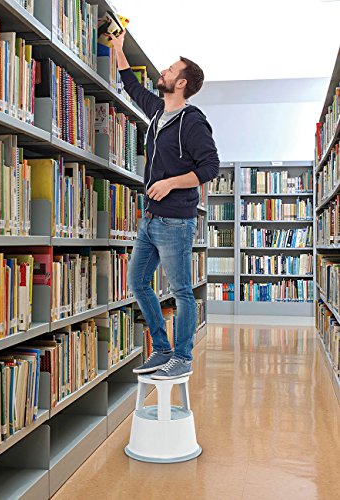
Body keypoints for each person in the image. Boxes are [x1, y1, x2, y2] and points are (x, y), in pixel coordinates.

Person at [109, 31, 219, 380]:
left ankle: (182, 357)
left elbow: (210, 168)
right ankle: (162, 349)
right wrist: (117, 47)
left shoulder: (193, 121)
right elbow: (133, 86)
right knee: (138, 282)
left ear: (181, 82)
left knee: (181, 292)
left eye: (170, 69)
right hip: (150, 219)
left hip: (175, 222)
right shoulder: (158, 110)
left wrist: (171, 182)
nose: (163, 72)